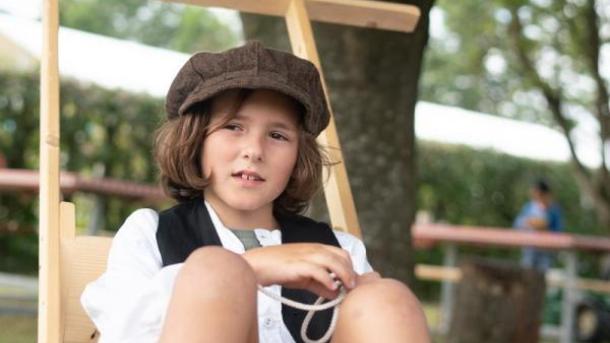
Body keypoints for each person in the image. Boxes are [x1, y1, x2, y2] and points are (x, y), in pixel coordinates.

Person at [81, 41, 429, 343]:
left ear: (297, 159)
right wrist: (252, 267)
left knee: (387, 299)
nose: (254, 150)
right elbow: (123, 331)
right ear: (195, 143)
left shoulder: (339, 250)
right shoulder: (150, 234)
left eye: (277, 136)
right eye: (233, 127)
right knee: (215, 269)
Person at [513, 179, 563, 272]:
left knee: (543, 274)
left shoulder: (553, 209)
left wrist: (539, 225)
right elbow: (518, 223)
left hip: (546, 250)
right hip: (530, 248)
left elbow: (556, 230)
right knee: (527, 273)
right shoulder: (529, 206)